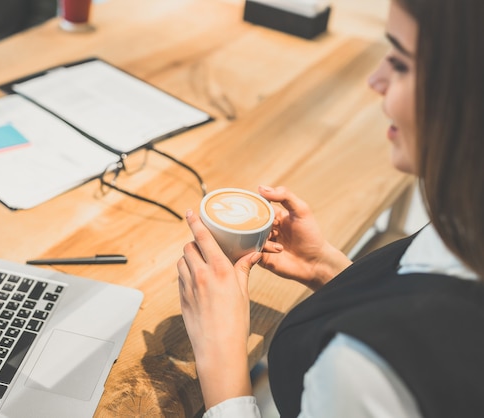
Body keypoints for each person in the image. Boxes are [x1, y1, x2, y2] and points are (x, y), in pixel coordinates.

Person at [177, 0, 484, 416]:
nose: (375, 80)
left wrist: (222, 357)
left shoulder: (367, 370)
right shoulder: (466, 222)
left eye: (401, 63)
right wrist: (329, 270)